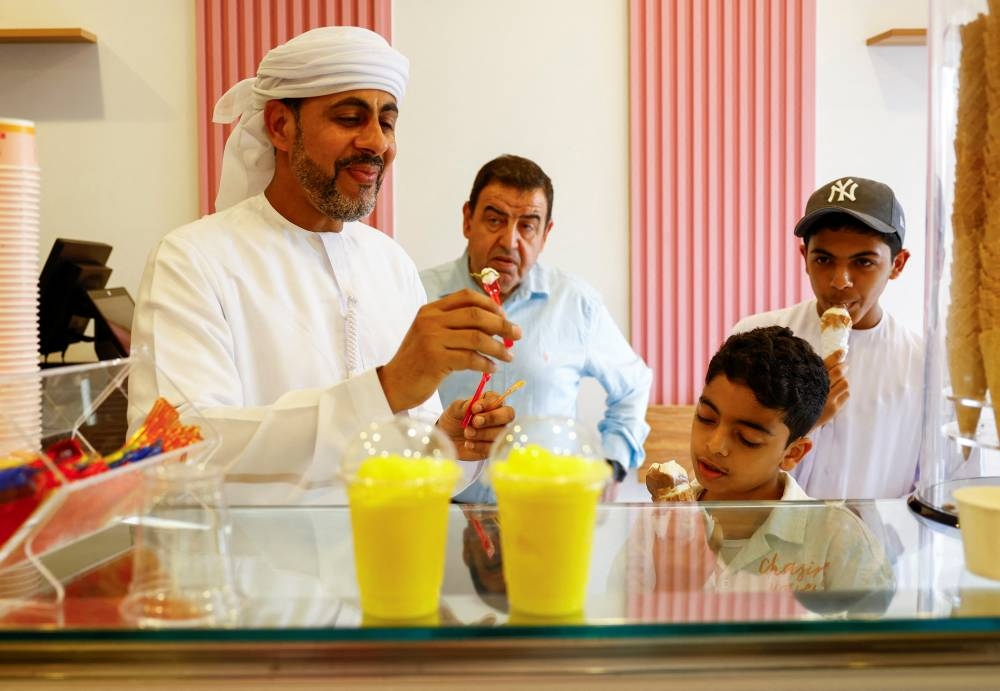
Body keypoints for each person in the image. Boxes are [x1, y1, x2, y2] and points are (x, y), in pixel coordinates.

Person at [129, 27, 521, 505]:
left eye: (387, 122)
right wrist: (383, 390)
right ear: (280, 126)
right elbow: (174, 454)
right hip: (250, 556)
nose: (376, 142)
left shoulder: (391, 264)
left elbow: (400, 466)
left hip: (387, 550)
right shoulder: (193, 261)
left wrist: (443, 445)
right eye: (350, 117)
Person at [420, 155, 652, 502]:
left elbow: (633, 385)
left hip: (546, 510)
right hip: (440, 508)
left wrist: (611, 464)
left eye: (527, 226)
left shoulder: (576, 304)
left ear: (545, 235)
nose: (509, 241)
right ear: (467, 220)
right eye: (495, 220)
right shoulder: (417, 296)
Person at [631, 327, 894, 613]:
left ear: (792, 453)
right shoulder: (659, 525)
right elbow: (622, 628)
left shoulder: (837, 541)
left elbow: (875, 639)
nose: (716, 445)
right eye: (706, 418)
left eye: (747, 438)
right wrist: (671, 588)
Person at [731, 176, 923, 499]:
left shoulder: (923, 364)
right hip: (765, 531)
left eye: (863, 262)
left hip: (875, 533)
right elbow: (726, 460)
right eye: (823, 259)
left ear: (897, 264)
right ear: (804, 257)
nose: (840, 281)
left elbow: (936, 490)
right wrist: (806, 419)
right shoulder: (753, 338)